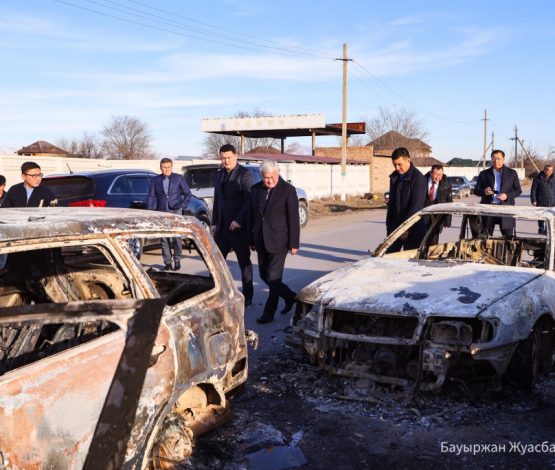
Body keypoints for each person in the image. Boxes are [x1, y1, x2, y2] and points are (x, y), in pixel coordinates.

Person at [249, 160, 299, 324]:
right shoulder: (256, 189)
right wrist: (252, 239)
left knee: (273, 277)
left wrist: (294, 243)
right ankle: (291, 297)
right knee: (264, 275)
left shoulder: (288, 190)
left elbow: (293, 218)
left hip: (279, 240)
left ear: (277, 173)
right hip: (261, 239)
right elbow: (254, 217)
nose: (268, 181)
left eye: (271, 177)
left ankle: (268, 313)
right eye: (265, 178)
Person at [211, 144, 255, 306]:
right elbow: (218, 200)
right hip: (222, 228)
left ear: (236, 156)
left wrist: (239, 220)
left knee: (244, 262)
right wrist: (214, 222)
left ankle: (248, 295)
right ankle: (221, 292)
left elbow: (249, 200)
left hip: (239, 228)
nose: (226, 161)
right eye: (223, 158)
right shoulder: (219, 175)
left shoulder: (245, 174)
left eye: (229, 157)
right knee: (218, 262)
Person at [147, 158, 192, 271]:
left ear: (171, 167)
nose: (166, 169)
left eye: (168, 167)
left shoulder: (178, 178)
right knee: (164, 239)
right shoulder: (155, 180)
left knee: (177, 238)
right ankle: (167, 262)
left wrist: (183, 206)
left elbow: (188, 194)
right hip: (161, 212)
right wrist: (150, 211)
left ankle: (177, 260)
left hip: (176, 211)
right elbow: (151, 196)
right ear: (160, 168)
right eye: (164, 167)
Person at [385, 147, 427, 252]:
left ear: (408, 160)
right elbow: (392, 204)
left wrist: (405, 228)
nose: (397, 168)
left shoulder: (418, 179)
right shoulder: (395, 177)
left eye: (400, 164)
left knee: (410, 262)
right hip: (395, 226)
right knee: (389, 258)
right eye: (395, 165)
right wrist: (389, 224)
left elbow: (416, 206)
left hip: (413, 228)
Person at [474, 149, 522, 237]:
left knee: (508, 239)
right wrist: (484, 191)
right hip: (488, 209)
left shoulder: (512, 173)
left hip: (506, 209)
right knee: (485, 238)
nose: (496, 161)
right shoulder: (484, 174)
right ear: (491, 159)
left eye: (499, 158)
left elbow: (518, 190)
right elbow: (476, 190)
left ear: (503, 159)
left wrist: (507, 195)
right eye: (494, 158)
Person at [423, 164, 452, 245]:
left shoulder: (446, 185)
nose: (437, 177)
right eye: (436, 174)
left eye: (440, 175)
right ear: (431, 173)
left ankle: (431, 257)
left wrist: (447, 220)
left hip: (437, 217)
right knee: (421, 240)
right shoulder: (422, 181)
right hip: (423, 214)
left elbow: (449, 202)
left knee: (433, 242)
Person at [530, 164, 555, 234]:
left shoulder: (554, 178)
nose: (549, 172)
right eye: (547, 170)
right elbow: (533, 190)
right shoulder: (538, 178)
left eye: (551, 170)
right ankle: (541, 228)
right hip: (541, 201)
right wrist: (533, 200)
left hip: (552, 201)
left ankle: (550, 229)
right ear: (544, 170)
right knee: (541, 216)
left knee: (551, 217)